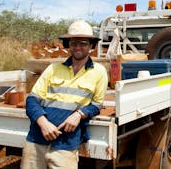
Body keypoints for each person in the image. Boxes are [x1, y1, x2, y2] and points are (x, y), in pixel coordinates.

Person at [21, 20, 107, 169]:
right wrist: (43, 124)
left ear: (91, 46)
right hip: (36, 140)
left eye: (83, 43)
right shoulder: (53, 68)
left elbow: (97, 105)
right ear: (68, 45)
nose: (78, 47)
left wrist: (79, 114)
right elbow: (32, 100)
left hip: (67, 145)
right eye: (73, 43)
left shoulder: (99, 72)